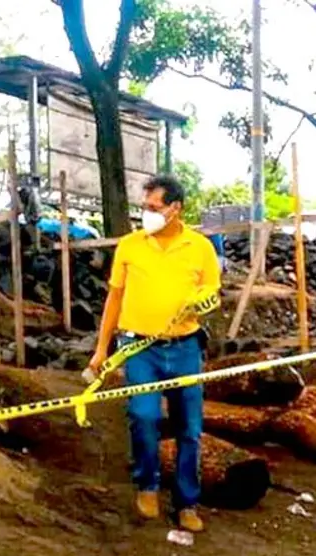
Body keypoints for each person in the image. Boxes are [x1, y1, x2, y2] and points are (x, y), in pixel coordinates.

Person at [87, 176, 222, 533]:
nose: (146, 214)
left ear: (175, 208)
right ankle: (147, 484)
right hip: (138, 347)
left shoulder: (201, 247)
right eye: (144, 207)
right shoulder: (131, 246)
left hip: (184, 348)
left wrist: (200, 302)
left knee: (189, 428)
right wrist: (102, 349)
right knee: (143, 416)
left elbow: (214, 292)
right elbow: (114, 299)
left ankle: (186, 503)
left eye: (153, 208)